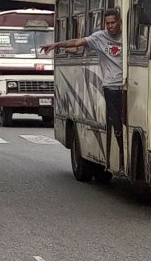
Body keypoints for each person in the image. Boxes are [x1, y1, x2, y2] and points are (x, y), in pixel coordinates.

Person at [41, 9, 125, 172]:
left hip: (129, 85)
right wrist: (56, 45)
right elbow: (77, 42)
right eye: (107, 23)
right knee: (117, 125)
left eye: (113, 23)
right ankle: (121, 158)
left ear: (119, 22)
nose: (110, 26)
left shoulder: (129, 36)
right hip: (111, 86)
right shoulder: (100, 37)